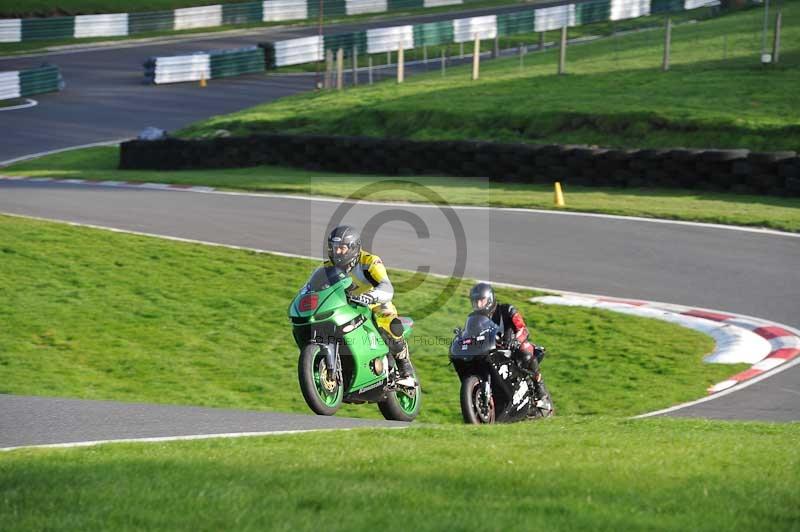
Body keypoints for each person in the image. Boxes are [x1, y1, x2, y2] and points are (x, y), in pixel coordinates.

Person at [326, 225, 414, 380]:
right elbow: (315, 287)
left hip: (375, 304)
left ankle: (403, 362)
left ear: (353, 248)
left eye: (342, 248)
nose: (337, 252)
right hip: (347, 307)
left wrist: (370, 296)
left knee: (388, 323)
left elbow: (387, 287)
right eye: (334, 248)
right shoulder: (327, 268)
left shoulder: (369, 261)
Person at [469, 282, 547, 400]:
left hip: (512, 348)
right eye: (476, 302)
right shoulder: (474, 319)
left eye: (482, 300)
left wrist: (515, 340)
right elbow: (469, 335)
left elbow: (523, 328)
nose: (479, 304)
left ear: (489, 299)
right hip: (490, 352)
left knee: (525, 349)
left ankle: (539, 386)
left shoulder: (507, 310)